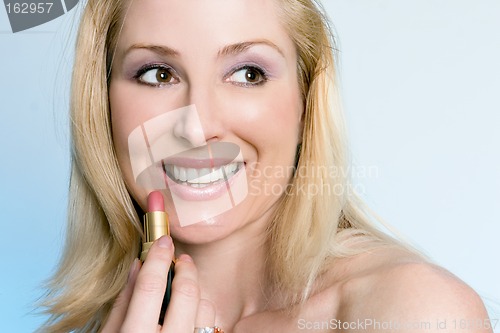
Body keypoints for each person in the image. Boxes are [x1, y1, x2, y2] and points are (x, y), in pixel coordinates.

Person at [39, 0, 492, 332]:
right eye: (158, 73)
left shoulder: (411, 313)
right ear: (102, 104)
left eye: (247, 74)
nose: (197, 130)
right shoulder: (98, 323)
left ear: (305, 99)